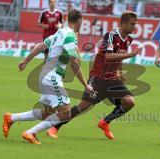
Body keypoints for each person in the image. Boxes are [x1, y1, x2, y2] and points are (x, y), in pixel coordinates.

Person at [47, 11, 142, 140]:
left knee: (129, 102)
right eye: (132, 24)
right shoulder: (111, 35)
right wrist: (130, 55)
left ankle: (105, 122)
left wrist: (120, 71)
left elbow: (119, 56)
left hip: (113, 78)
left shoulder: (129, 39)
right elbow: (108, 56)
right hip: (98, 77)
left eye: (135, 24)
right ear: (124, 23)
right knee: (84, 105)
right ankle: (55, 127)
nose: (134, 26)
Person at [2, 9, 93, 144]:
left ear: (68, 18)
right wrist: (85, 85)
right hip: (52, 77)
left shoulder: (60, 32)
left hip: (45, 75)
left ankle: (11, 118)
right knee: (66, 113)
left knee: (45, 113)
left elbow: (41, 46)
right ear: (80, 21)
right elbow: (74, 62)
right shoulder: (70, 36)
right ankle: (30, 132)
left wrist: (25, 61)